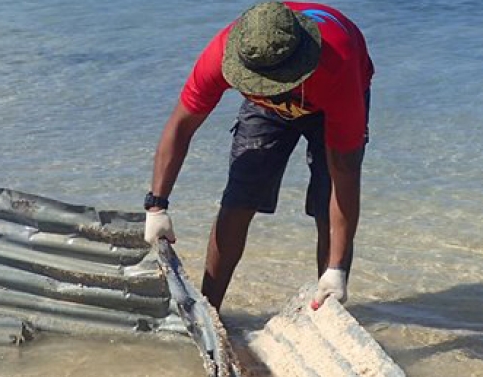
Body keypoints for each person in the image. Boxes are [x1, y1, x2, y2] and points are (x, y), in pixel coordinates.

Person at [143, 1, 373, 312]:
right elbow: (181, 126)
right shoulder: (226, 52)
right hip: (265, 108)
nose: (272, 89)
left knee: (325, 197)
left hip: (327, 99)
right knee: (240, 196)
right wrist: (157, 206)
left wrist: (338, 269)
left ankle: (327, 299)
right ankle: (210, 309)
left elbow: (344, 175)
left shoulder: (338, 66)